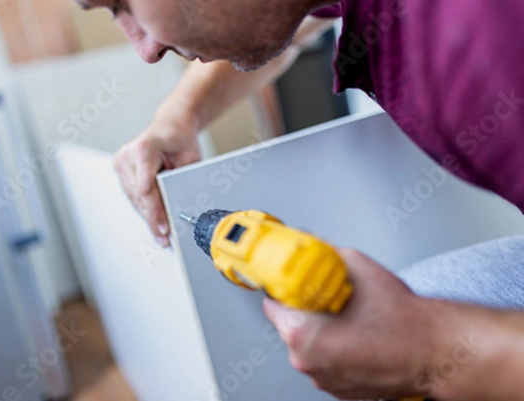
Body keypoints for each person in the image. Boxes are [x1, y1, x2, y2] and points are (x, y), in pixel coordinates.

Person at [75, 0, 524, 399]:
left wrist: (432, 349)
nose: (145, 49)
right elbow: (281, 18)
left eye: (121, 4)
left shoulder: (477, 40)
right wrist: (180, 115)